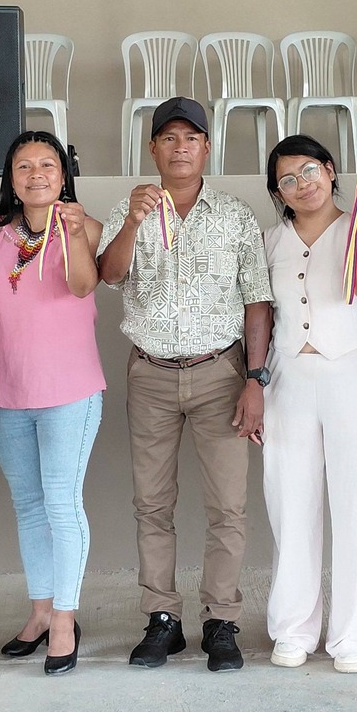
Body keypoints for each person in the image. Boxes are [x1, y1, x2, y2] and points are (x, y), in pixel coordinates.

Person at [98, 96, 272, 672]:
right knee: (152, 503)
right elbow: (109, 274)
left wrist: (255, 378)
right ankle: (162, 618)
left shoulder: (235, 215)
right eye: (168, 138)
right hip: (150, 373)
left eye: (190, 138)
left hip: (220, 372)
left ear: (206, 147)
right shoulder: (130, 209)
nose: (180, 148)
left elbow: (257, 301)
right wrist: (132, 221)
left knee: (228, 506)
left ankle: (221, 619)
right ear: (152, 148)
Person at [260, 135, 357, 673]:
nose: (302, 184)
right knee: (290, 502)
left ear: (331, 170)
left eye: (310, 170)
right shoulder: (270, 240)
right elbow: (260, 314)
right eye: (287, 180)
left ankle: (352, 637)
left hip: (353, 368)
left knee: (356, 503)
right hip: (288, 373)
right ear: (278, 193)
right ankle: (293, 629)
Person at [0, 131, 103, 676]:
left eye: (48, 165)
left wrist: (74, 233)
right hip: (9, 390)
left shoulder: (85, 226)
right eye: (24, 166)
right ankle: (38, 609)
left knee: (61, 503)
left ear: (64, 174)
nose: (36, 175)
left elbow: (81, 286)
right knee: (29, 506)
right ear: (11, 179)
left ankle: (64, 617)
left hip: (69, 392)